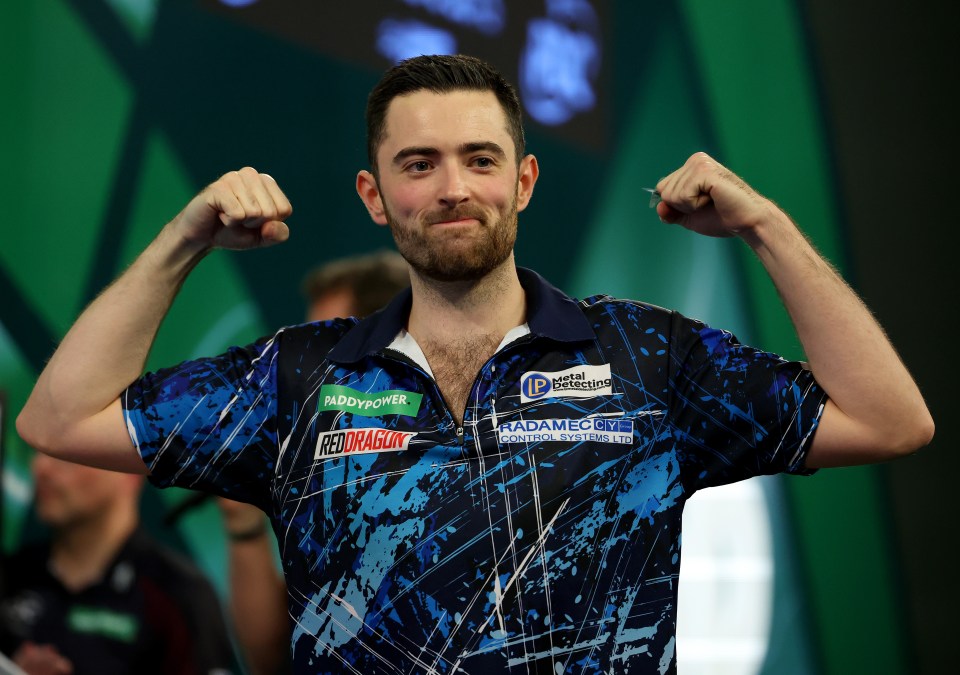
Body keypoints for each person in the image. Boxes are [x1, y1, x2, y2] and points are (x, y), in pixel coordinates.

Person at [16, 54, 933, 674]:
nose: (453, 187)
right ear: (375, 198)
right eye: (418, 164)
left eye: (480, 158)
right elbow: (59, 420)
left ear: (524, 181)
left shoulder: (649, 357)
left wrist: (764, 226)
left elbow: (891, 420)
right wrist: (184, 239)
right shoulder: (297, 378)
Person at [218, 250, 409, 675]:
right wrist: (243, 524)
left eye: (327, 346)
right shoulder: (324, 484)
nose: (306, 368)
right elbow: (270, 660)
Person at [0, 453, 238, 675]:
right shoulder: (11, 576)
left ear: (130, 467)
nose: (40, 467)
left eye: (66, 455)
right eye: (37, 450)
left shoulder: (179, 596)